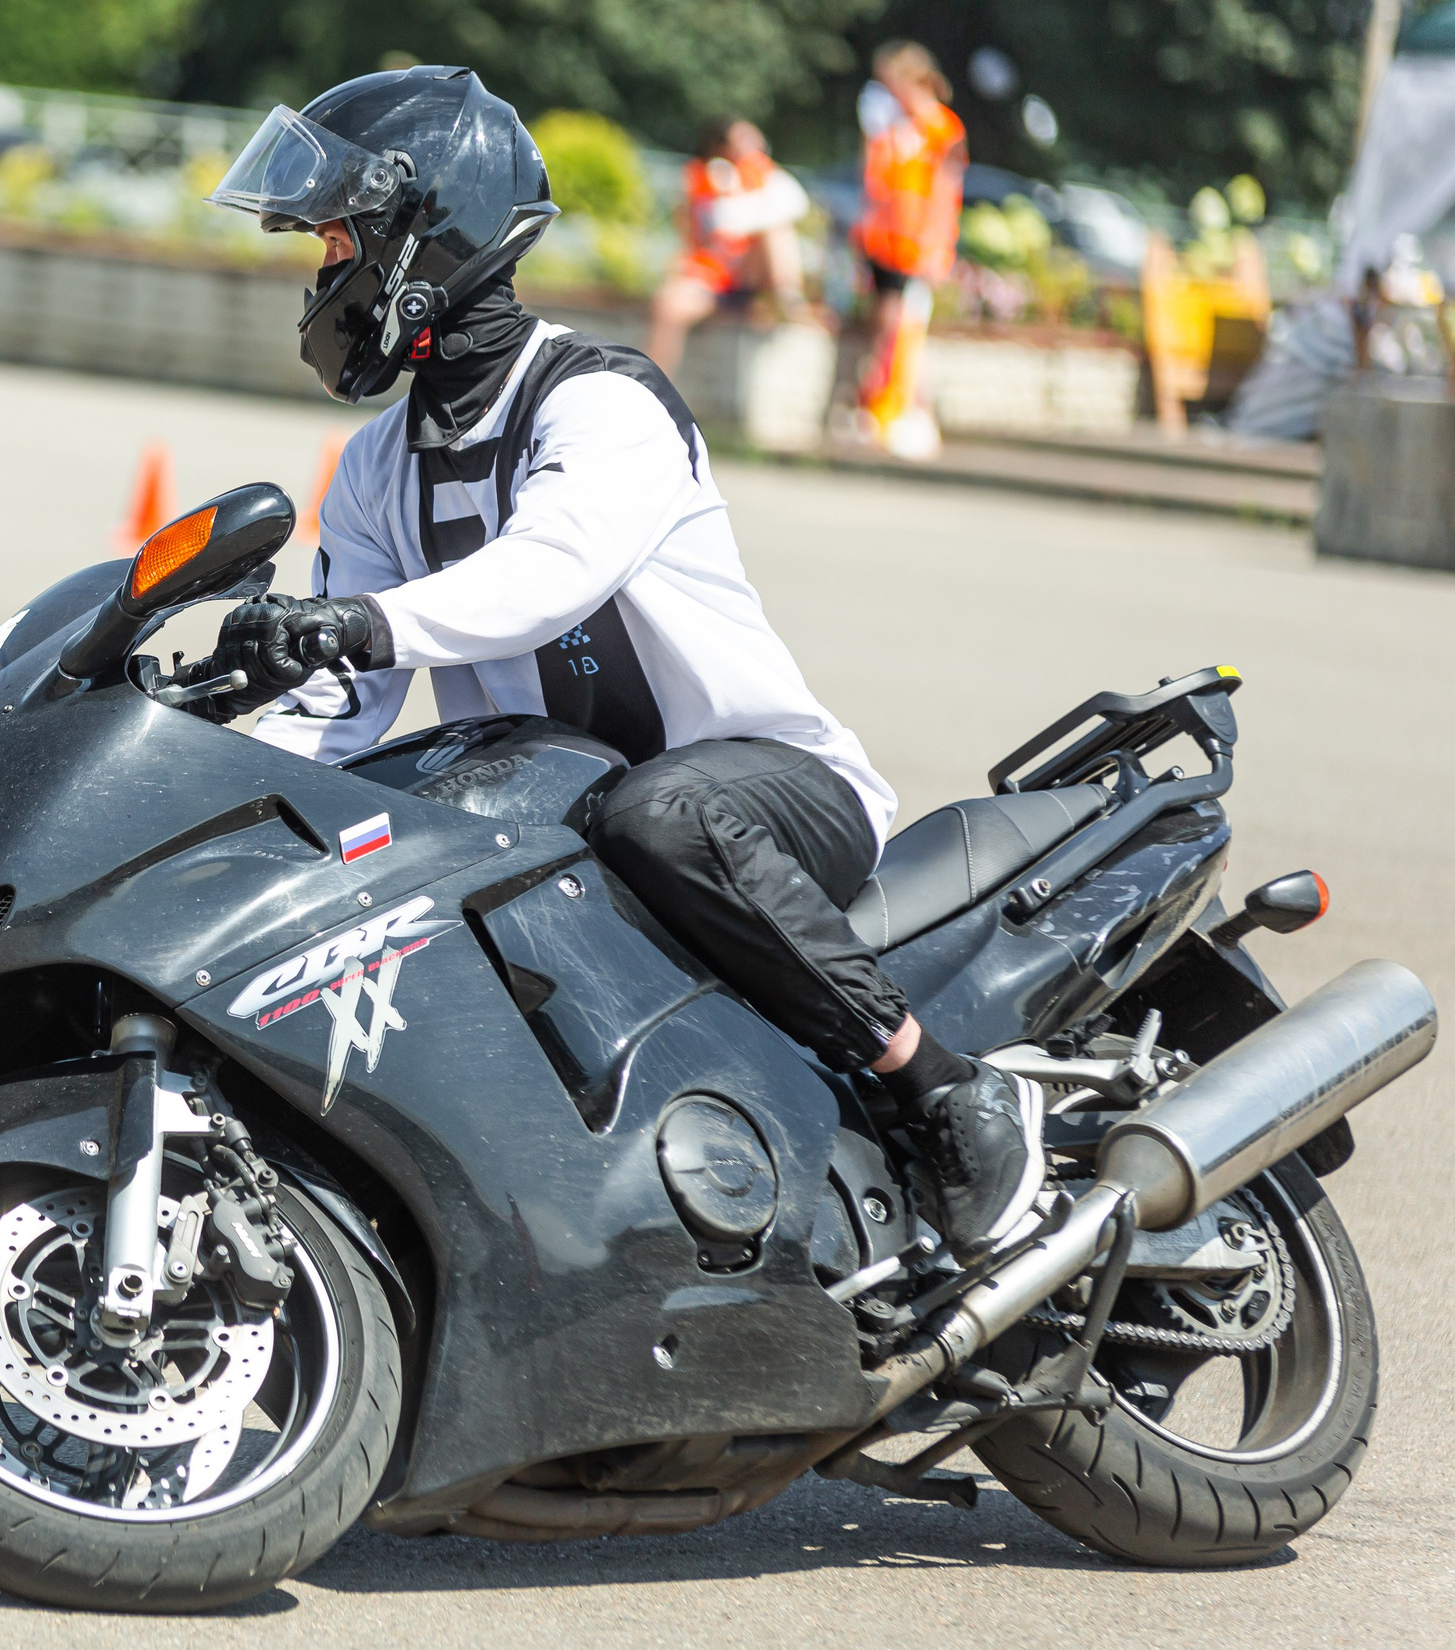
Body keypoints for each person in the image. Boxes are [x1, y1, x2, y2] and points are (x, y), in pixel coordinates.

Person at [197, 66, 1042, 1258]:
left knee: (660, 813)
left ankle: (945, 1086)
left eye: (335, 245)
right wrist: (197, 780)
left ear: (422, 235)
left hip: (761, 794)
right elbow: (341, 708)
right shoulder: (382, 465)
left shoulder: (600, 403)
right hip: (572, 819)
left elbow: (550, 570)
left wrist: (364, 622)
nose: (320, 277)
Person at [852, 40, 967, 460]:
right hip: (886, 243)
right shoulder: (895, 129)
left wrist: (937, 247)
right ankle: (886, 408)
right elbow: (877, 184)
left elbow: (945, 189)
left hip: (917, 247)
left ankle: (917, 412)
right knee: (889, 328)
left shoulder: (942, 128)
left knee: (907, 328)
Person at [646, 116, 810, 376]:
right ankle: (651, 384)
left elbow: (791, 204)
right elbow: (703, 232)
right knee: (669, 305)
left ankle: (788, 302)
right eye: (743, 139)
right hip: (716, 277)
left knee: (776, 230)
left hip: (750, 272)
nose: (753, 144)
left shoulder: (765, 176)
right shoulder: (701, 178)